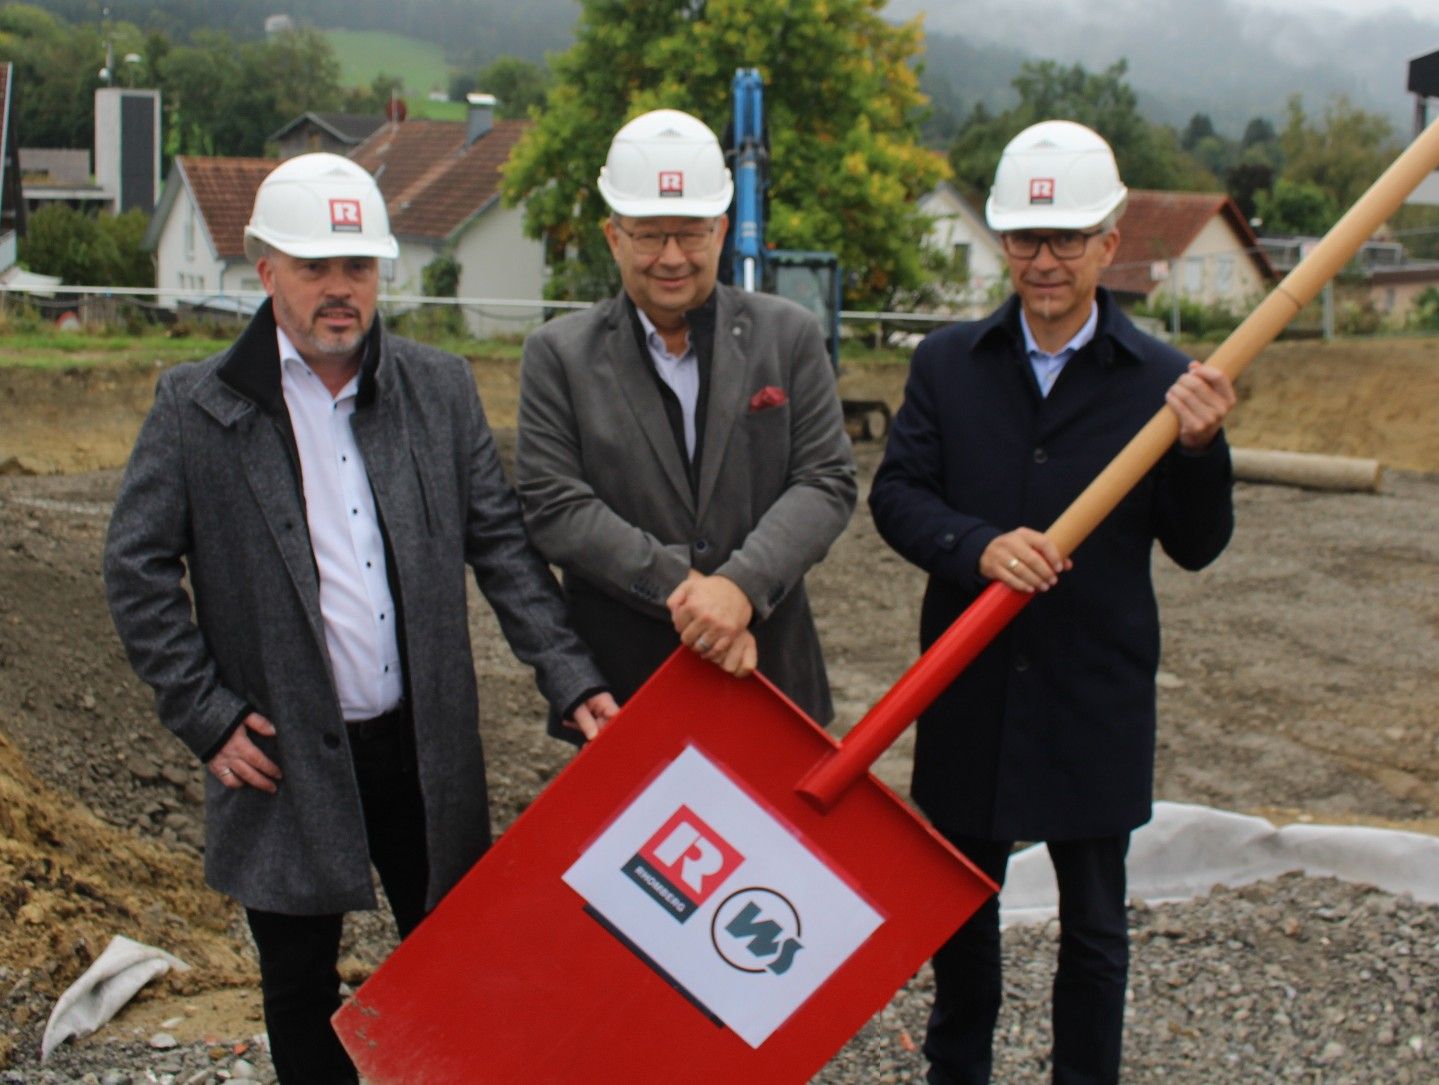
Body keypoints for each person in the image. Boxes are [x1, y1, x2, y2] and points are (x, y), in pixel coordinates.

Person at [102, 152, 617, 1085]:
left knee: (458, 962)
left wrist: (570, 678)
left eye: (358, 268)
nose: (339, 290)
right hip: (282, 751)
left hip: (421, 747)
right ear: (265, 271)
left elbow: (502, 549)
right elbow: (133, 567)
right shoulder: (197, 406)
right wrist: (205, 714)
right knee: (299, 987)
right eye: (315, 267)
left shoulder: (437, 388)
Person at [868, 120, 1237, 1085]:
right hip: (969, 687)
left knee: (1096, 933)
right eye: (1027, 240)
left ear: (1109, 242)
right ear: (1001, 242)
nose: (1044, 261)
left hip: (1092, 694)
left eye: (1066, 239)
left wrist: (1201, 452)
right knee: (960, 921)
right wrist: (975, 545)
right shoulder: (947, 364)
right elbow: (896, 497)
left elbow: (1196, 547)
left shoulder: (1163, 384)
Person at [514, 109, 856, 725]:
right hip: (624, 692)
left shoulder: (790, 336)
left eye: (691, 233)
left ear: (721, 231)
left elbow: (825, 482)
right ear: (613, 236)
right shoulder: (557, 355)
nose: (671, 257)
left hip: (771, 677)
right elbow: (555, 505)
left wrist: (742, 587)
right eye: (648, 234)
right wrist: (698, 598)